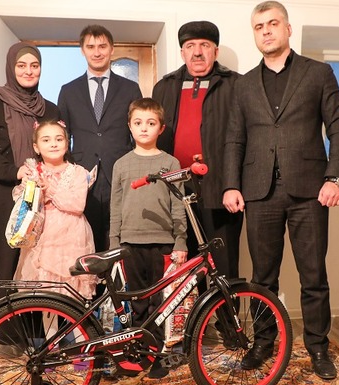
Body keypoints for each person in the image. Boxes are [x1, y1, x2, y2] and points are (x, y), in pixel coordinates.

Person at [222, 1, 339, 380]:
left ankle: (318, 348)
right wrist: (231, 184)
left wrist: (335, 177)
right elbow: (234, 139)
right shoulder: (244, 84)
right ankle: (264, 343)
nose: (266, 31)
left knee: (313, 276)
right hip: (258, 192)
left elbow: (338, 128)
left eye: (272, 23)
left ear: (288, 28)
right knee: (262, 278)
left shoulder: (318, 73)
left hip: (310, 191)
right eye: (259, 26)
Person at [0, 41, 61, 348]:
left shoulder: (50, 109)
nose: (28, 71)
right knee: (8, 268)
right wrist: (15, 171)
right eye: (22, 65)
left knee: (36, 267)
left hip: (42, 196)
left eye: (34, 65)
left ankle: (37, 337)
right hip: (3, 195)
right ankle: (8, 336)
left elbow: (59, 147)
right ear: (11, 67)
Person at [153, 21, 243, 286]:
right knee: (184, 266)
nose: (197, 52)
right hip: (176, 190)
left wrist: (233, 184)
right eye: (190, 46)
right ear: (182, 52)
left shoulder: (236, 84)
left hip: (220, 188)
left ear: (215, 51)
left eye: (205, 45)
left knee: (223, 264)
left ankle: (226, 314)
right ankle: (194, 315)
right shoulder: (164, 86)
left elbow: (243, 138)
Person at [109, 98, 188, 379]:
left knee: (160, 303)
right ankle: (139, 354)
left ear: (161, 128)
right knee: (137, 302)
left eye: (151, 123)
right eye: (138, 123)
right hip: (130, 245)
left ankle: (159, 356)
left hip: (162, 243)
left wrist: (180, 241)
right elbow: (115, 207)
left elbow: (178, 205)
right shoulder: (121, 164)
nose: (144, 128)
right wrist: (114, 243)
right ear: (129, 126)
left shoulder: (170, 162)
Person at [58, 24, 143, 253]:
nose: (97, 52)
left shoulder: (130, 89)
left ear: (112, 49)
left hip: (121, 174)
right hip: (83, 177)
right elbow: (63, 136)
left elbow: (138, 132)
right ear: (82, 50)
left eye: (102, 46)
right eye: (91, 46)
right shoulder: (68, 91)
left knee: (121, 242)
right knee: (86, 242)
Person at [13, 120, 97, 300]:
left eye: (59, 139)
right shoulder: (33, 172)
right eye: (46, 140)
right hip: (42, 237)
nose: (53, 144)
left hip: (71, 237)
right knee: (45, 292)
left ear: (67, 144)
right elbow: (23, 205)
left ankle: (72, 319)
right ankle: (49, 319)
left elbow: (77, 205)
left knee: (71, 291)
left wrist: (50, 190)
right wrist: (31, 188)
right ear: (36, 147)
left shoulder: (78, 172)